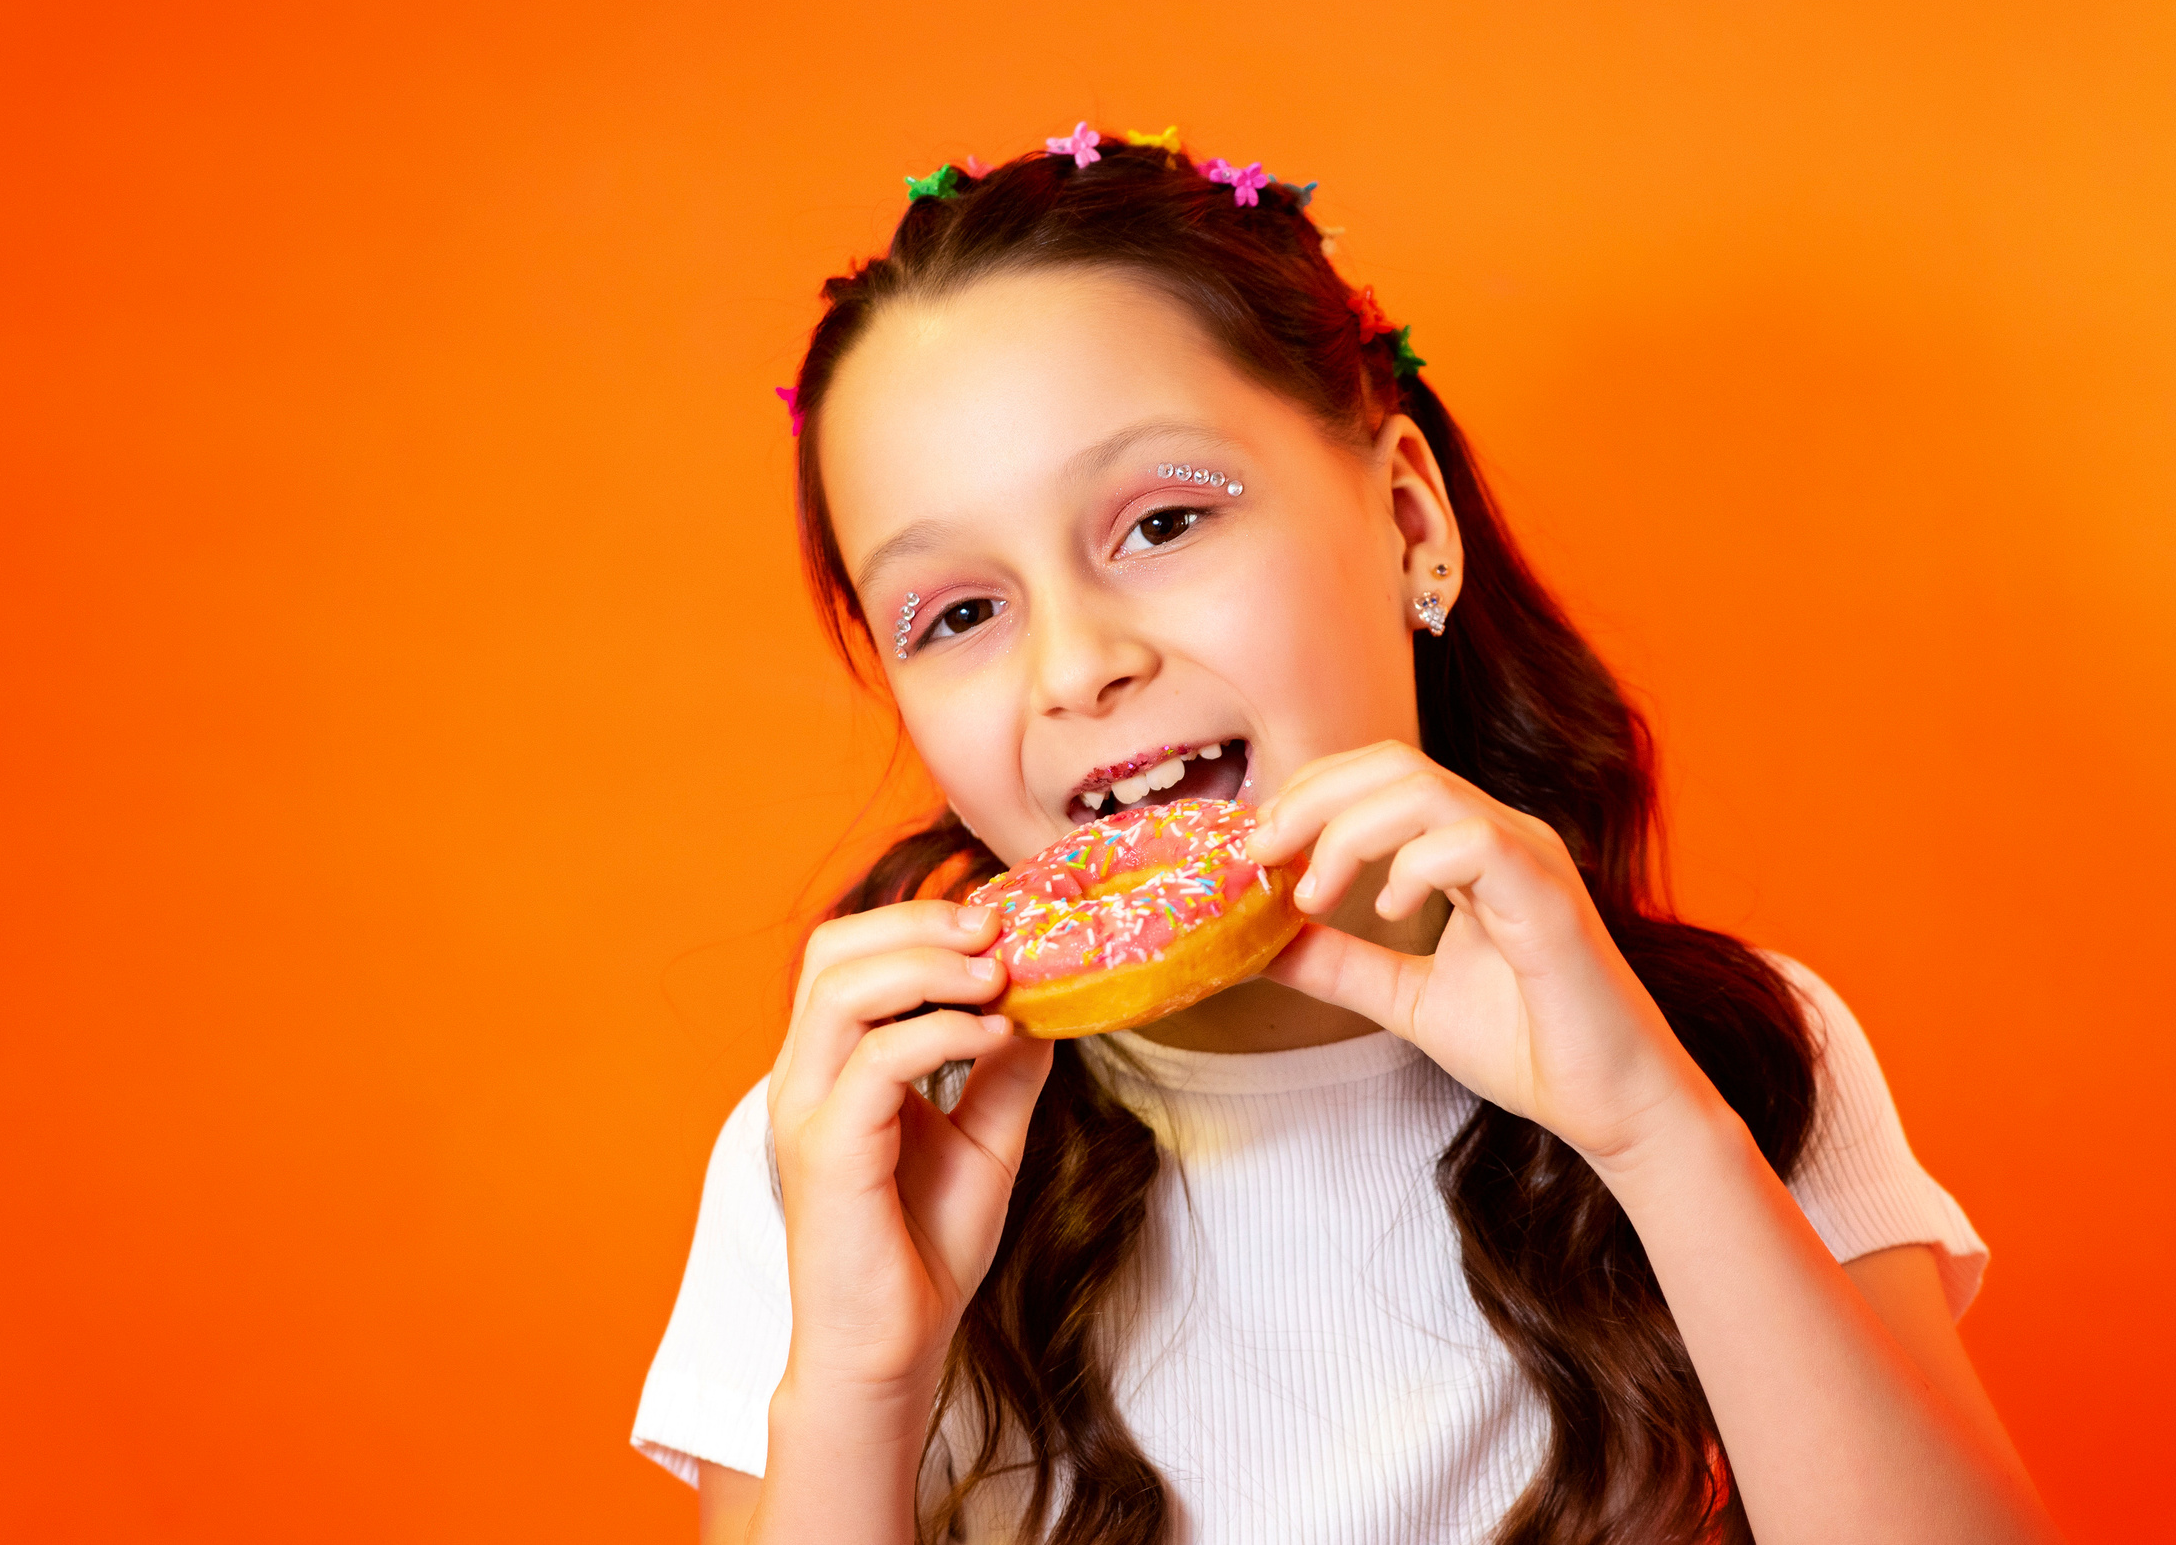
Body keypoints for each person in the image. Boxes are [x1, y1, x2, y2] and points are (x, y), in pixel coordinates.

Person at [631, 127, 2059, 1545]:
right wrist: (862, 1381)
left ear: (1407, 517)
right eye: (957, 613)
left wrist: (1658, 1134)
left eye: (1166, 520)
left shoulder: (1730, 1046)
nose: (1075, 666)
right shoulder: (850, 1153)